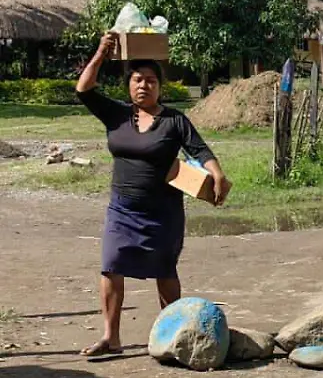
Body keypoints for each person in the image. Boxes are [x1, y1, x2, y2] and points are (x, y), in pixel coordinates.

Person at [76, 32, 229, 357]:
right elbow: (84, 88)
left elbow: (199, 149)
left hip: (163, 211)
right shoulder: (116, 114)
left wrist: (216, 172)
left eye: (150, 81)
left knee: (164, 270)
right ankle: (111, 338)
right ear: (128, 85)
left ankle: (174, 335)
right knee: (110, 265)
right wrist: (102, 51)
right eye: (137, 80)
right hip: (122, 208)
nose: (143, 85)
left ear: (160, 86)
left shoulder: (174, 120)